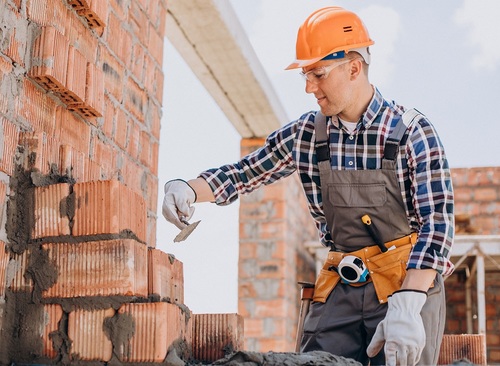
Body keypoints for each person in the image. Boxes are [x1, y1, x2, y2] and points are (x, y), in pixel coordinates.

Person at [162, 6, 454, 366]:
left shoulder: (410, 131)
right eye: (305, 75)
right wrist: (188, 188)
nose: (308, 87)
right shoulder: (307, 134)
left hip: (406, 281)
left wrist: (409, 301)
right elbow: (244, 172)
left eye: (317, 74)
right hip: (343, 283)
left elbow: (438, 224)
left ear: (353, 67)